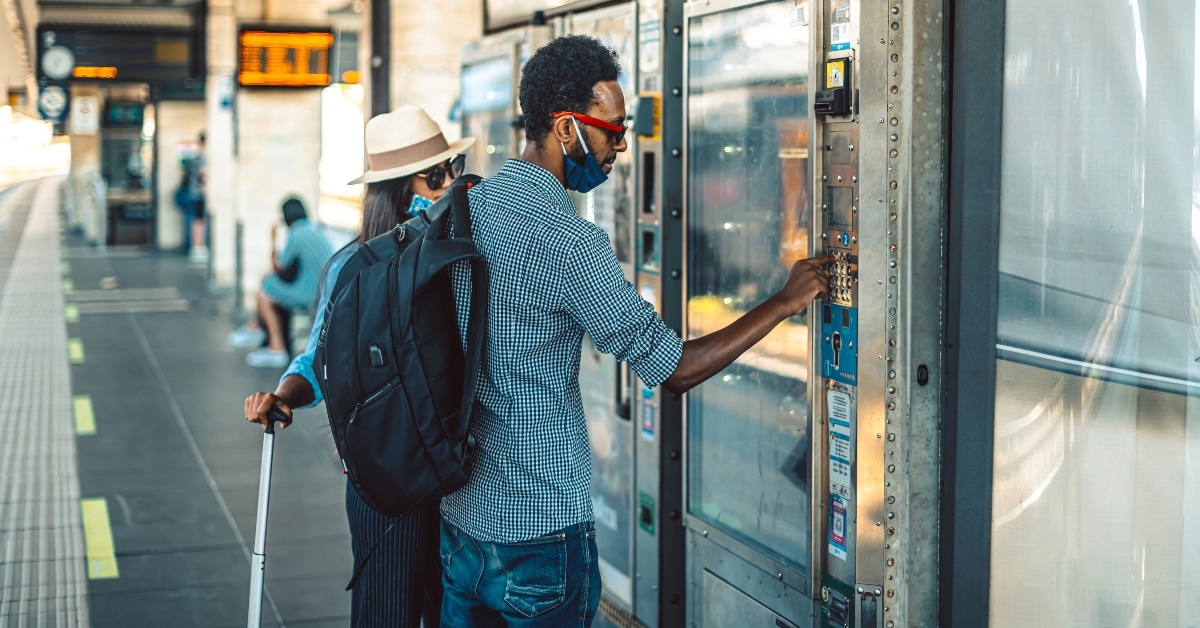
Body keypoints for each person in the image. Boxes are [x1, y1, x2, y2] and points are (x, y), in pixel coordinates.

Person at [438, 35, 833, 626]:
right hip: (539, 536)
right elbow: (672, 367)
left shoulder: (466, 205)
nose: (621, 146)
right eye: (612, 129)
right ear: (565, 127)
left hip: (462, 523)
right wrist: (783, 301)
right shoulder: (568, 241)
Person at [243, 105, 474, 627]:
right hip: (387, 474)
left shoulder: (462, 252)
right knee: (386, 611)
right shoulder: (352, 268)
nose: (450, 185)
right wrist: (285, 394)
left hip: (461, 474)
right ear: (397, 190)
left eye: (453, 169)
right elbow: (316, 357)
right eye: (436, 176)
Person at [227, 198, 334, 368]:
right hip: (324, 292)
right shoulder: (315, 228)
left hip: (309, 294)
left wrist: (273, 239)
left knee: (265, 285)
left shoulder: (296, 234)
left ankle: (275, 347)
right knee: (268, 282)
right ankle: (255, 327)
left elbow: (280, 265)